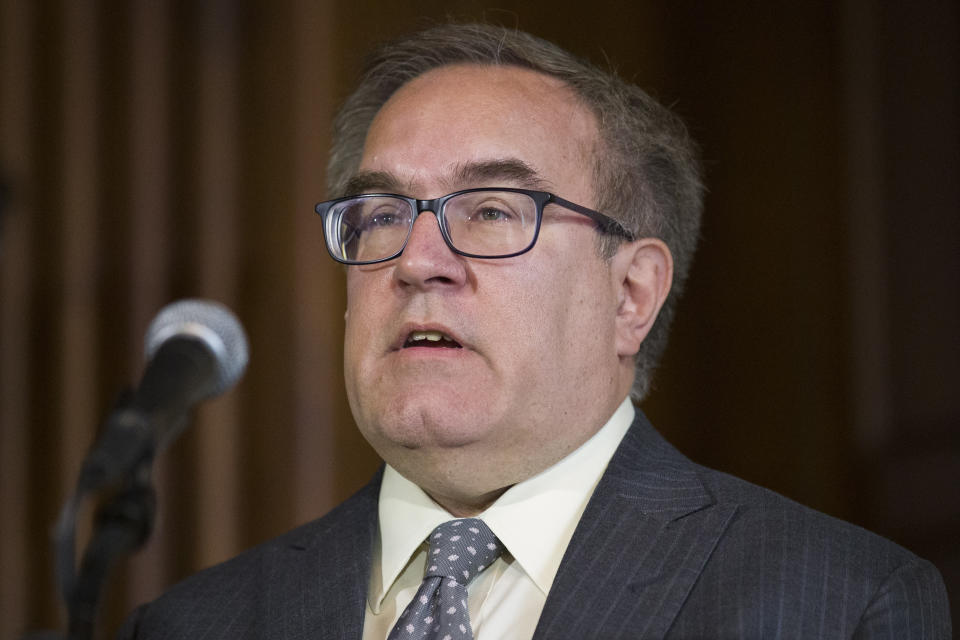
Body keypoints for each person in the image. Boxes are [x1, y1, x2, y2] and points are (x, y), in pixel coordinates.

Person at [118, 23, 951, 639]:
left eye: (490, 211)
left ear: (631, 294)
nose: (417, 261)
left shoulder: (837, 605)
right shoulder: (198, 624)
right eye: (380, 216)